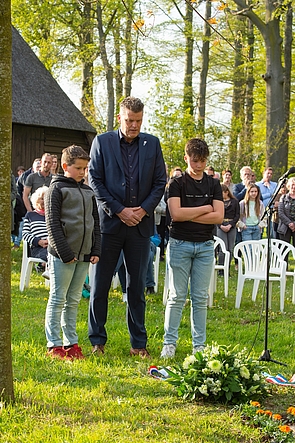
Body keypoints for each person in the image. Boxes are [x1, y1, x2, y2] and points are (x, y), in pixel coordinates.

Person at [88, 96, 166, 359]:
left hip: (140, 227)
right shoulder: (102, 142)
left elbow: (159, 183)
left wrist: (142, 210)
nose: (134, 125)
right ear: (119, 118)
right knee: (100, 285)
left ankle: (138, 343)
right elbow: (95, 181)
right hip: (110, 224)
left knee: (136, 288)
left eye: (139, 121)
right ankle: (97, 340)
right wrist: (120, 210)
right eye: (129, 120)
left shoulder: (152, 144)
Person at [160, 138, 223, 358]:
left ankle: (199, 345)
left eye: (203, 161)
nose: (199, 166)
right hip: (179, 244)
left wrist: (192, 214)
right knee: (177, 296)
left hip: (205, 246)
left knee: (200, 297)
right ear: (186, 158)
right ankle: (169, 343)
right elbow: (176, 214)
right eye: (195, 161)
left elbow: (219, 216)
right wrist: (205, 208)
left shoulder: (214, 184)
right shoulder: (176, 184)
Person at [44, 145, 101, 360]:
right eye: (78, 168)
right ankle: (54, 344)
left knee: (74, 299)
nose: (82, 172)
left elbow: (95, 223)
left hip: (84, 254)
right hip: (62, 255)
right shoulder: (56, 189)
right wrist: (65, 252)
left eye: (85, 168)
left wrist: (96, 249)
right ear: (65, 166)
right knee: (58, 298)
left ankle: (71, 343)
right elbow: (53, 225)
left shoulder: (88, 191)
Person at [12, 158, 41, 250]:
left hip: (40, 206)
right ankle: (17, 244)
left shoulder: (44, 176)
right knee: (22, 225)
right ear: (33, 167)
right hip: (25, 205)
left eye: (40, 166)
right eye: (37, 166)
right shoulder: (25, 176)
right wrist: (21, 200)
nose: (39, 168)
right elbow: (18, 188)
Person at [22, 186, 49, 275]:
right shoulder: (30, 215)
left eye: (47, 198)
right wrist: (39, 241)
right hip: (37, 247)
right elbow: (25, 234)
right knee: (50, 253)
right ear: (36, 200)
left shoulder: (53, 216)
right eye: (42, 198)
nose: (44, 201)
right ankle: (46, 268)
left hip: (52, 245)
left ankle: (44, 266)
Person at [216, 184, 240, 272]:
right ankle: (221, 269)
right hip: (221, 225)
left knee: (230, 248)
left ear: (226, 192)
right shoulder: (217, 202)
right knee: (223, 248)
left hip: (231, 225)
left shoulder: (234, 201)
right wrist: (221, 225)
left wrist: (231, 225)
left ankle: (227, 268)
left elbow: (237, 215)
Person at [256, 167, 277, 237]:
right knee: (260, 230)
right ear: (263, 173)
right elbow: (259, 197)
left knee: (271, 231)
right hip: (260, 210)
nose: (269, 175)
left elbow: (275, 195)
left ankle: (270, 247)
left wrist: (269, 187)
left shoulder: (275, 185)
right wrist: (269, 194)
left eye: (271, 174)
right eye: (268, 173)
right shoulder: (257, 185)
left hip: (272, 210)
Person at [277, 177, 295, 248]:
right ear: (289, 186)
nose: (294, 187)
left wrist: (294, 224)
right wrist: (290, 223)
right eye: (292, 184)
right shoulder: (283, 198)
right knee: (284, 250)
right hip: (285, 226)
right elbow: (280, 213)